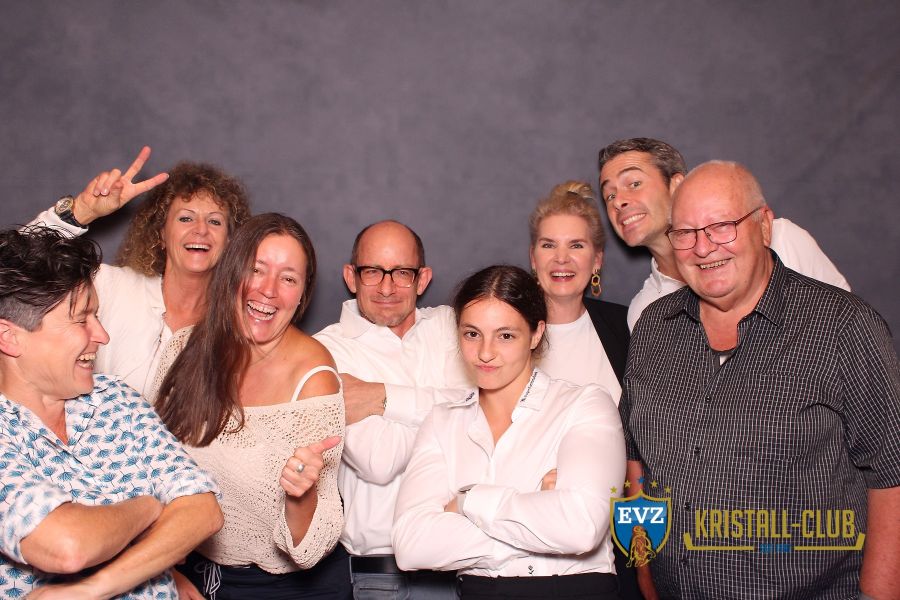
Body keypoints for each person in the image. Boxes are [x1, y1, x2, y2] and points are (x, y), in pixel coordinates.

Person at [619, 161, 900, 599]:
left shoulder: (844, 327)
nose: (703, 247)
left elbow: (891, 475)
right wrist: (644, 569)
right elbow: (637, 462)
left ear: (764, 226)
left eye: (721, 226)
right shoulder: (653, 328)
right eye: (686, 233)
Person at [0, 226, 222, 598]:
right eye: (81, 319)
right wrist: (150, 508)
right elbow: (67, 546)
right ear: (9, 337)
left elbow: (203, 509)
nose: (102, 335)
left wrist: (93, 589)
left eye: (98, 316)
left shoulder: (115, 398)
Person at [393, 265, 626, 599]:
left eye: (505, 335)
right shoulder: (442, 421)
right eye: (472, 334)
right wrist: (537, 512)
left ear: (536, 333)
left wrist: (468, 500)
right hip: (480, 592)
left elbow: (581, 528)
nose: (485, 353)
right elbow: (411, 546)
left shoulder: (585, 404)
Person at [155, 213, 348, 599]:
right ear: (231, 271)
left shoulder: (313, 377)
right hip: (194, 573)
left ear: (302, 294)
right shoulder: (184, 348)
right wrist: (166, 568)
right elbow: (152, 470)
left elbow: (310, 548)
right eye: (256, 270)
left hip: (285, 588)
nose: (269, 290)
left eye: (288, 279)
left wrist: (301, 495)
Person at [313, 220, 471, 598]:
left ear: (422, 279)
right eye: (373, 271)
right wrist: (451, 410)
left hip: (472, 566)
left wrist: (382, 397)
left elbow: (485, 406)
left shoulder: (450, 325)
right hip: (383, 579)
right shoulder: (324, 351)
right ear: (351, 277)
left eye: (401, 273)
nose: (387, 288)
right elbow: (379, 461)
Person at [30, 147, 251, 399]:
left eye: (214, 221)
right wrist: (82, 210)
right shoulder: (110, 287)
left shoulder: (239, 325)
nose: (201, 230)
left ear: (230, 241)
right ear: (161, 234)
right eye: (185, 219)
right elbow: (17, 266)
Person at [596, 137, 850, 331]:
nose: (618, 201)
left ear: (677, 185)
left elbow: (848, 330)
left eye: (634, 184)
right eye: (609, 195)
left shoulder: (780, 239)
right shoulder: (644, 311)